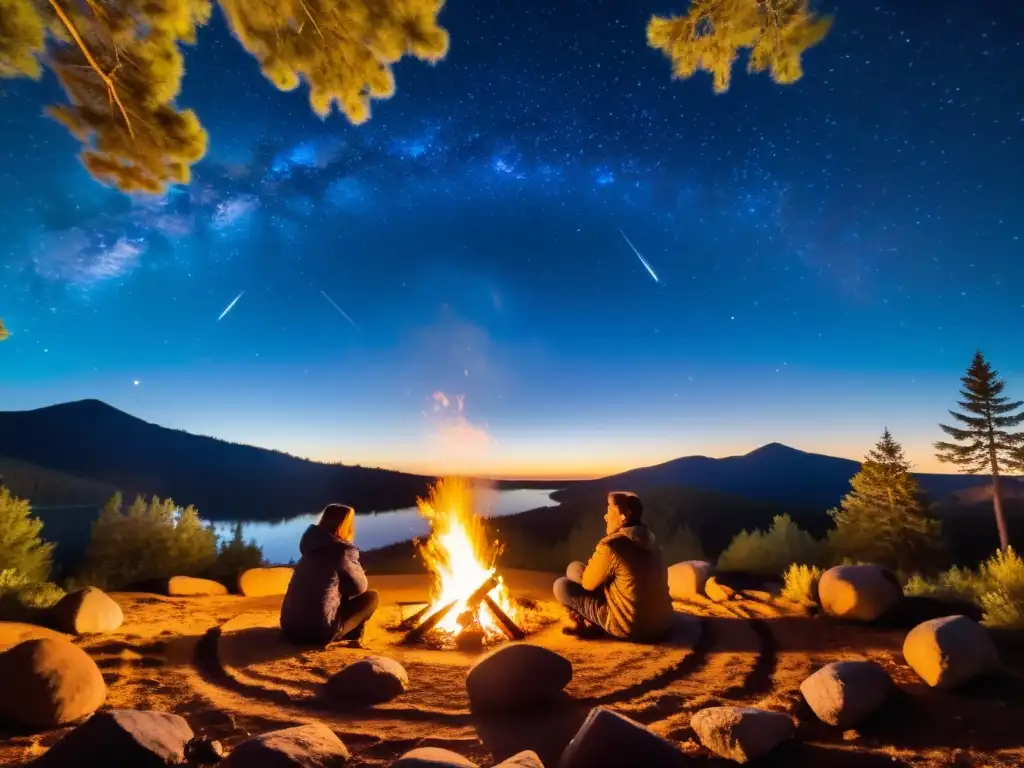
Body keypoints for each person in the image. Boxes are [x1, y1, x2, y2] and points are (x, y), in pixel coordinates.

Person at [553, 491, 673, 642]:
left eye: (609, 510)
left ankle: (589, 624)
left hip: (629, 626)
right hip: (661, 622)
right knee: (574, 568)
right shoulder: (654, 543)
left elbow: (588, 584)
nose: (605, 516)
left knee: (562, 585)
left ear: (623, 516)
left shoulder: (612, 545)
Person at [280, 503, 379, 647]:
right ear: (346, 525)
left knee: (336, 589)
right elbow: (360, 588)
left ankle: (346, 631)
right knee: (372, 597)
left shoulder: (310, 547)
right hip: (317, 633)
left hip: (289, 626)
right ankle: (349, 633)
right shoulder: (342, 551)